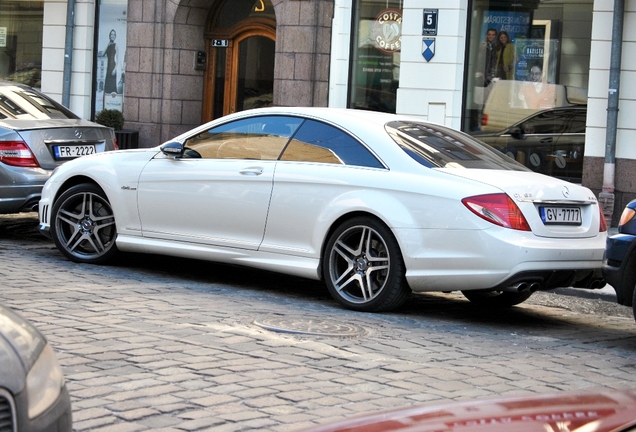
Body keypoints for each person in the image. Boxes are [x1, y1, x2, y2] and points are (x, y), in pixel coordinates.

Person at [104, 29, 118, 94]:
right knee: (107, 88)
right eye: (111, 34)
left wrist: (115, 69)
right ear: (109, 36)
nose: (113, 36)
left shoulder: (116, 45)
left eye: (114, 34)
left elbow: (117, 58)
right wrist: (108, 44)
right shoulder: (108, 45)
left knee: (112, 88)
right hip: (108, 68)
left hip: (113, 67)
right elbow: (102, 54)